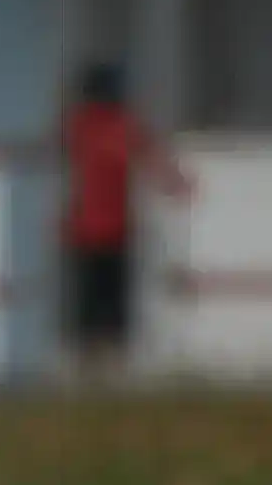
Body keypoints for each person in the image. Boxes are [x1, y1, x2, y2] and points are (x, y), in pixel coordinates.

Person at [61, 60, 190, 377]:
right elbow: (147, 154)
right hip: (102, 226)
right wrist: (174, 182)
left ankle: (96, 356)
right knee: (103, 294)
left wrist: (172, 180)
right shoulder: (108, 125)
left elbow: (145, 153)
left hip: (95, 226)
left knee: (97, 294)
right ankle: (100, 356)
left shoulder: (83, 125)